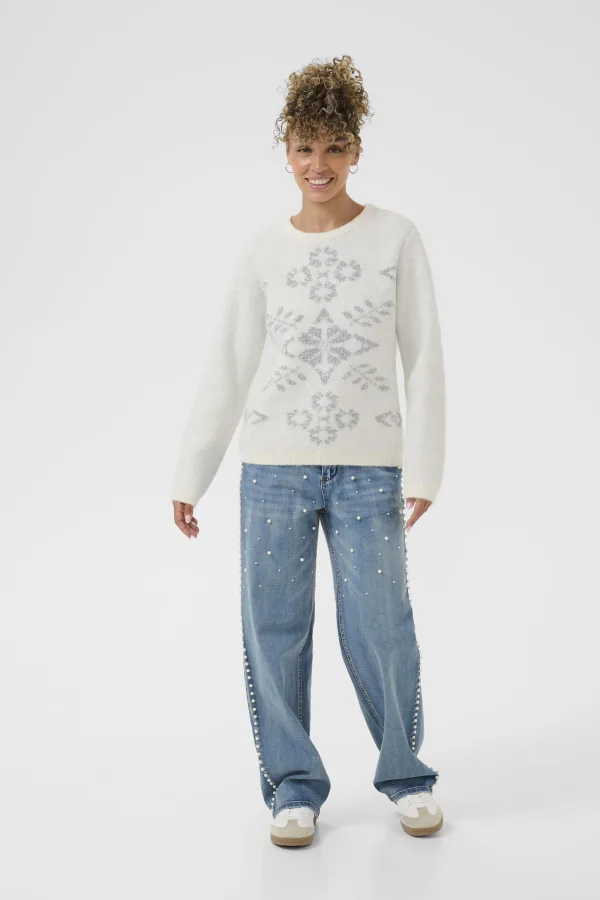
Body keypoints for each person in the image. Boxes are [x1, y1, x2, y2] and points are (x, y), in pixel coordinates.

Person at [170, 54, 446, 846]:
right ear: (285, 152)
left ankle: (407, 776)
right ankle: (293, 787)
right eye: (304, 148)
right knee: (274, 630)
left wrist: (424, 466)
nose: (317, 164)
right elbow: (228, 364)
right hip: (273, 470)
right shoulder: (263, 252)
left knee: (381, 626)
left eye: (333, 146)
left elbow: (424, 357)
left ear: (355, 149)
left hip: (370, 470)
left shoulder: (396, 238)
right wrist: (192, 473)